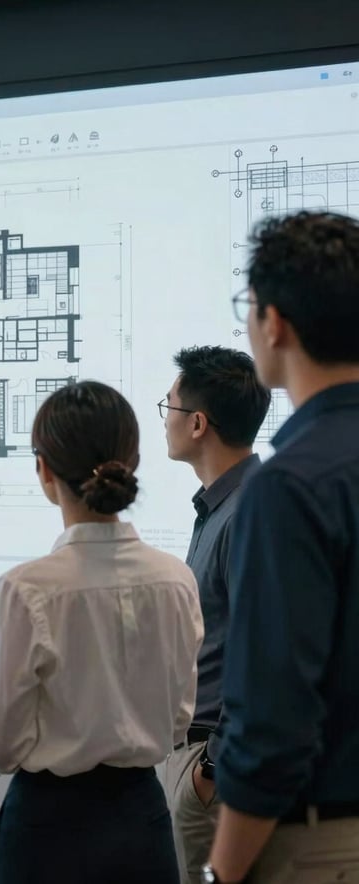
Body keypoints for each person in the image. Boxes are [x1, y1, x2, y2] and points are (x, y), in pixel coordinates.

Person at [0, 380, 204, 884]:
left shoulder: (26, 589)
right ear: (132, 462)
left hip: (46, 830)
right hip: (142, 823)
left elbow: (0, 743)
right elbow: (179, 720)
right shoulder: (175, 579)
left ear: (44, 469)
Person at [204, 211, 359, 883]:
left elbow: (272, 725)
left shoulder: (288, 485)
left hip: (319, 840)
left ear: (274, 323)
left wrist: (222, 871)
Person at [159, 346, 270, 884]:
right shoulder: (219, 506)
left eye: (169, 406)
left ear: (198, 423)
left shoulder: (248, 509)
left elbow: (267, 652)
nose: (165, 419)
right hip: (200, 759)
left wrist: (210, 770)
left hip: (212, 769)